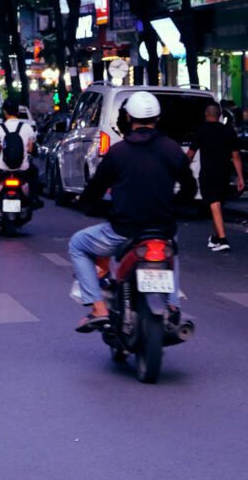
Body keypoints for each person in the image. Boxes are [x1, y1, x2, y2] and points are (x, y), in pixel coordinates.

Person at [68, 90, 196, 332]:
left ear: (128, 117)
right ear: (158, 118)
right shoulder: (171, 149)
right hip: (162, 229)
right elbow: (190, 187)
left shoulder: (118, 152)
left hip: (122, 232)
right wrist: (174, 206)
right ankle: (172, 305)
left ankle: (98, 307)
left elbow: (95, 189)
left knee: (77, 244)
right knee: (171, 245)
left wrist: (87, 204)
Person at [187, 101, 245, 253]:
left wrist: (180, 167)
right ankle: (215, 237)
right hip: (224, 173)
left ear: (206, 115)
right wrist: (240, 178)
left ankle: (223, 240)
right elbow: (236, 156)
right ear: (219, 115)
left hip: (208, 173)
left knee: (213, 203)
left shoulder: (201, 131)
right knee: (217, 204)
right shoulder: (229, 131)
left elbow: (191, 153)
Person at [0, 97, 40, 206]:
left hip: (2, 167)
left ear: (4, 112)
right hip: (23, 167)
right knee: (34, 172)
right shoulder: (28, 128)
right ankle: (34, 198)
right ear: (18, 111)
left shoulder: (0, 128)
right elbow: (30, 149)